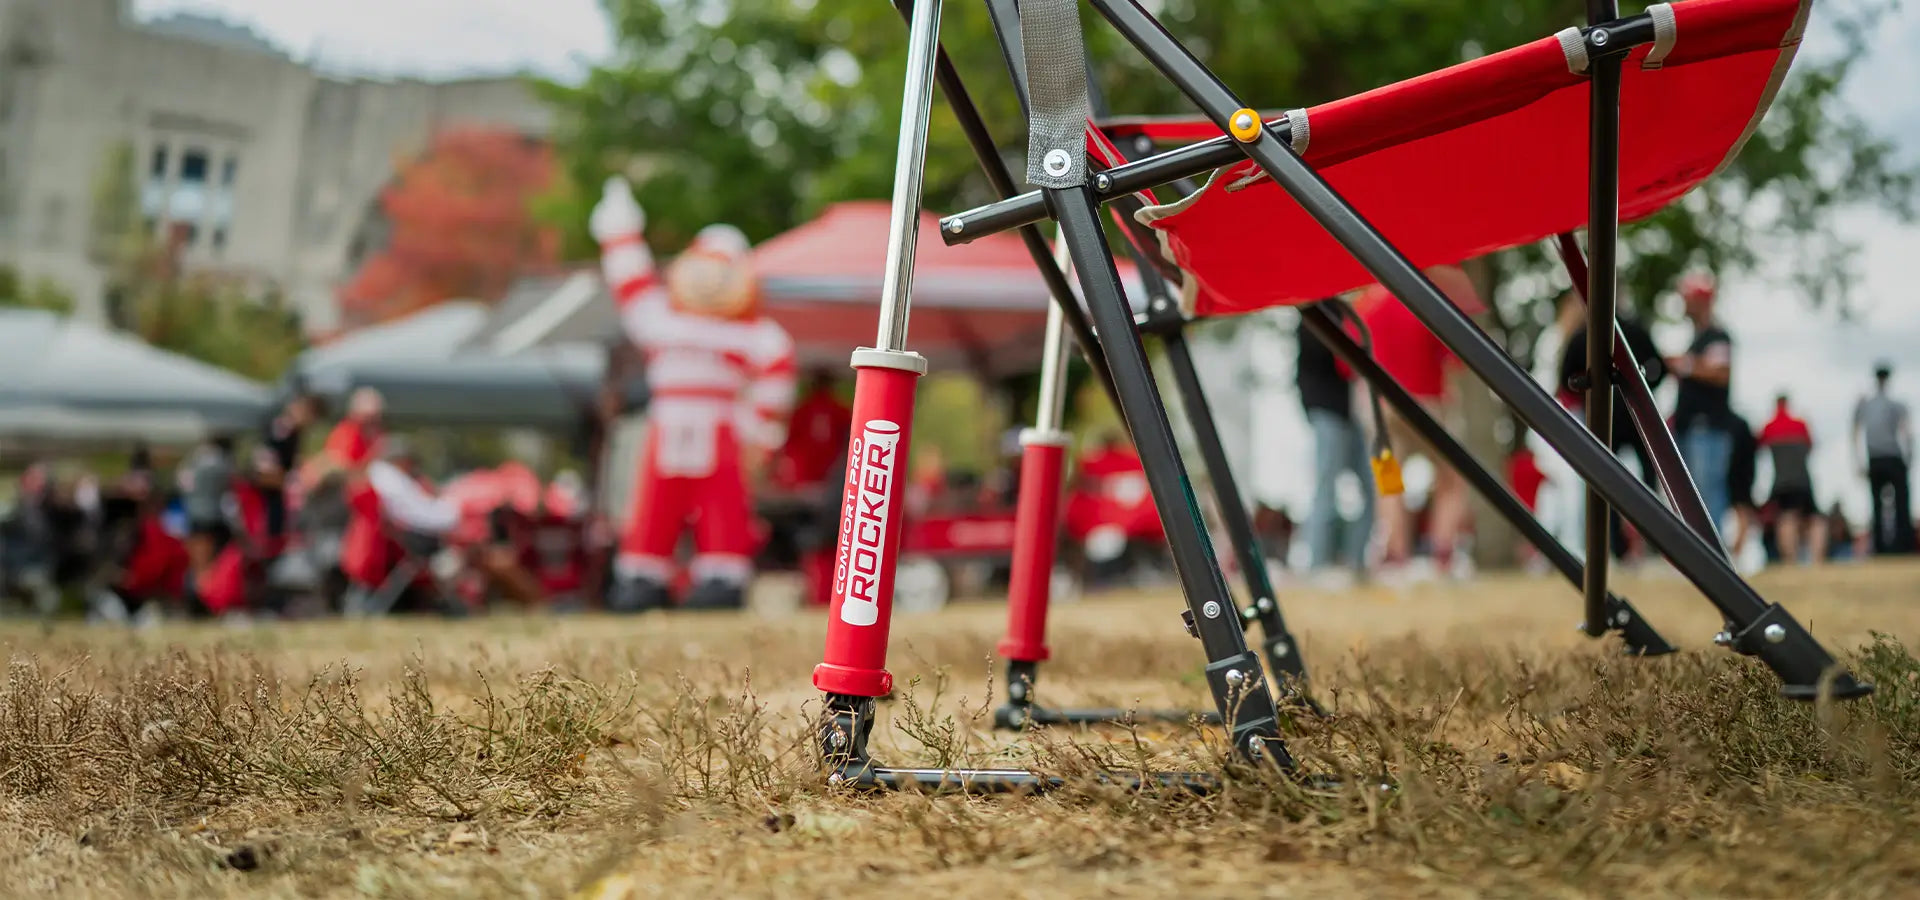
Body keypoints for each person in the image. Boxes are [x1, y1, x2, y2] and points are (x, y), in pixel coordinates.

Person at [592, 177, 797, 612]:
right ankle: (643, 577)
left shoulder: (748, 334)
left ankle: (719, 579)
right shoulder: (664, 319)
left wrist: (759, 432)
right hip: (670, 422)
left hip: (720, 427)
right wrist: (620, 228)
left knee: (721, 506)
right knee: (654, 504)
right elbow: (630, 279)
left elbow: (776, 371)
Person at [1355, 265, 1479, 576]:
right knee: (1451, 476)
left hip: (1377, 404)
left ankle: (1396, 554)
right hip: (1424, 399)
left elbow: (1348, 363)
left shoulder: (1366, 304)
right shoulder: (1424, 301)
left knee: (1389, 481)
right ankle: (1443, 551)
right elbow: (1454, 360)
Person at [1557, 307, 1669, 563]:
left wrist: (1588, 391)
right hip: (1638, 412)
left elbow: (1566, 381)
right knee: (1649, 479)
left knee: (1607, 481)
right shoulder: (1635, 331)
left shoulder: (1583, 336)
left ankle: (1618, 547)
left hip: (1603, 416)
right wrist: (1642, 388)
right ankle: (1653, 539)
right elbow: (1660, 368)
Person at [1295, 314, 1373, 581]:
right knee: (1326, 490)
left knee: (1371, 489)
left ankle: (1356, 564)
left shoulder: (1344, 312)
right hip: (1329, 412)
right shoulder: (1316, 315)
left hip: (1351, 414)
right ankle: (1317, 566)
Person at [1666, 271, 1736, 541]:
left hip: (1708, 428)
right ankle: (1698, 551)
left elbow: (1721, 373)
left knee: (1706, 493)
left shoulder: (1717, 336)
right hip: (1690, 428)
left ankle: (1712, 553)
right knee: (1692, 494)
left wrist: (1684, 365)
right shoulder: (1698, 339)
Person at [1852, 361, 1913, 555]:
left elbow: (1855, 433)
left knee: (1880, 504)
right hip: (1890, 457)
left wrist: (1858, 461)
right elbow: (1906, 433)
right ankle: (1900, 546)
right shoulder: (1894, 405)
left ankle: (1884, 547)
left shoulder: (1868, 405)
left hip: (1878, 458)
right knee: (1899, 503)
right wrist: (1909, 457)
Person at [1757, 394, 1824, 564]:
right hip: (1803, 480)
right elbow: (1810, 447)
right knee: (1814, 518)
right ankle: (1817, 560)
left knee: (1786, 518)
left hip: (1781, 481)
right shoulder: (1800, 424)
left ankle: (1790, 561)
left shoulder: (1769, 426)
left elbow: (1758, 448)